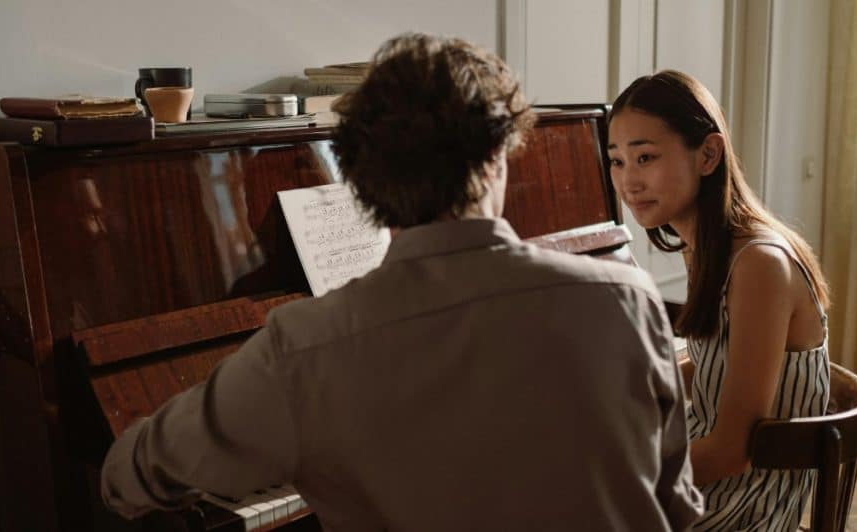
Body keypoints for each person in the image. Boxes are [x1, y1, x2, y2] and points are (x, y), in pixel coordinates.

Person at [101, 34, 702, 531]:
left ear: (361, 183)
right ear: (497, 156)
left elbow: (127, 477)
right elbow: (675, 507)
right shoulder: (626, 300)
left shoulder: (303, 347)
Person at [607, 70, 831, 531]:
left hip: (744, 502)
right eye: (616, 161)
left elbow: (733, 452)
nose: (628, 181)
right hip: (711, 475)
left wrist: (625, 483)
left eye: (645, 157)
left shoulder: (758, 263)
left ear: (708, 154)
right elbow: (715, 365)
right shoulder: (709, 247)